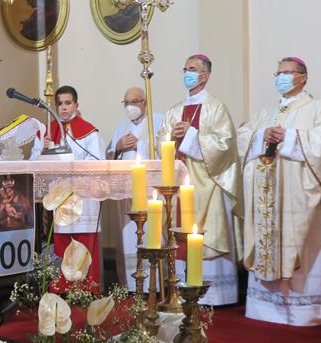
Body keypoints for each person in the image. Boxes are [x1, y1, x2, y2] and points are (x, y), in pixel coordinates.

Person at [238, 57, 321, 326]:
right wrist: (261, 136)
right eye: (278, 73)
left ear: (303, 77)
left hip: (299, 197)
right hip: (267, 193)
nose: (281, 77)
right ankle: (264, 307)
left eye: (287, 73)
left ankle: (304, 311)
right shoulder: (266, 112)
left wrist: (289, 137)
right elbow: (243, 137)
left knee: (300, 246)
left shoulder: (319, 108)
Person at [156, 54, 241, 306]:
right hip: (181, 182)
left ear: (205, 76)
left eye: (192, 69)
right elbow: (161, 145)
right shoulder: (173, 111)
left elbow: (225, 145)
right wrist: (171, 135)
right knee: (178, 232)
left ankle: (214, 295)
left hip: (208, 184)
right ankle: (181, 290)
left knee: (209, 231)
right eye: (185, 69)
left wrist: (192, 135)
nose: (187, 73)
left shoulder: (216, 107)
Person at [47, 85, 105, 293]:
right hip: (61, 198)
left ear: (76, 105)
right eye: (60, 104)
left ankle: (88, 287)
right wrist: (45, 148)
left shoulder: (89, 132)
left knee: (86, 241)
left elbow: (98, 163)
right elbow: (38, 162)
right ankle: (64, 289)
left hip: (85, 198)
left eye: (68, 103)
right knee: (64, 242)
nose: (63, 108)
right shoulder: (49, 132)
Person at [108, 86, 164, 292]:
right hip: (127, 193)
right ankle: (130, 284)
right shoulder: (122, 126)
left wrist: (141, 146)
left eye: (135, 101)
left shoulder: (158, 121)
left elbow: (165, 150)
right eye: (127, 103)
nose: (131, 106)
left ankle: (155, 285)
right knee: (128, 236)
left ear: (145, 103)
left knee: (153, 233)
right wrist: (119, 147)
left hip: (151, 190)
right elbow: (109, 153)